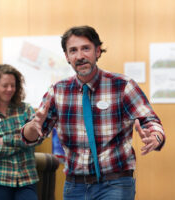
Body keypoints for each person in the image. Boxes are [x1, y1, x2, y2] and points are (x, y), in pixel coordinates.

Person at [22, 25, 165, 200]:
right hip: (74, 185)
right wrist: (31, 128)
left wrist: (156, 135)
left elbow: (149, 120)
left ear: (97, 51)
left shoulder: (122, 85)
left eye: (86, 48)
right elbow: (31, 136)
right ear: (67, 57)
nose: (80, 56)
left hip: (115, 182)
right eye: (73, 50)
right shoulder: (57, 91)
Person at [0, 64, 39, 200]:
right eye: (5, 85)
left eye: (13, 85)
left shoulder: (26, 109)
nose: (10, 89)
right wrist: (24, 142)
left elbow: (36, 139)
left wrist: (4, 140)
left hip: (26, 178)